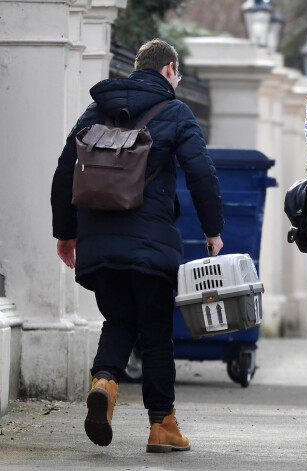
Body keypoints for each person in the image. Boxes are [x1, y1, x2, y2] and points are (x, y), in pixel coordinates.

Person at [51, 39, 224, 452]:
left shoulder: (97, 109)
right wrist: (212, 229)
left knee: (118, 319)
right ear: (169, 71)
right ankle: (162, 426)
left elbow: (64, 169)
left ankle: (105, 384)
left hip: (98, 242)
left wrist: (66, 232)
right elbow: (202, 173)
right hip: (150, 245)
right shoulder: (176, 113)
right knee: (156, 330)